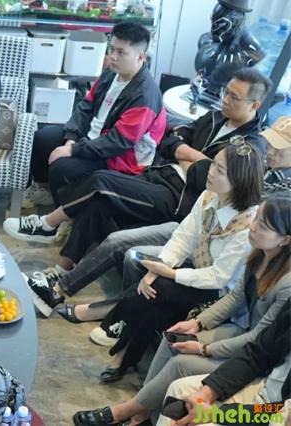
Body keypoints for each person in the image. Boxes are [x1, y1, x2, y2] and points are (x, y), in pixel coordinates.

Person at [18, 68, 271, 317]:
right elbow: (170, 139)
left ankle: (48, 224)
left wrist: (190, 159)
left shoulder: (250, 147)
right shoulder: (215, 117)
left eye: (235, 97)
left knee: (101, 181)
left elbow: (204, 178)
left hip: (180, 198)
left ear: (255, 104)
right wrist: (197, 158)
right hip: (160, 174)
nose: (225, 99)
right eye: (226, 92)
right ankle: (58, 277)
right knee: (98, 203)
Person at [72, 194, 291, 425]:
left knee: (180, 362)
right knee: (173, 337)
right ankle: (143, 407)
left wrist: (205, 349)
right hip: (244, 334)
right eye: (256, 219)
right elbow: (235, 298)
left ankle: (128, 410)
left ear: (285, 240)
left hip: (253, 347)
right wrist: (198, 323)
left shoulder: (286, 285)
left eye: (263, 226)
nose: (253, 226)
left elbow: (259, 339)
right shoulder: (257, 254)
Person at [91, 142, 264, 382]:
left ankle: (114, 325)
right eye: (213, 164)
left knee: (161, 288)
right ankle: (124, 357)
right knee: (157, 297)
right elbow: (183, 238)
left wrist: (168, 273)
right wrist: (159, 267)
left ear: (240, 181)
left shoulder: (247, 223)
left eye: (220, 170)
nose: (210, 172)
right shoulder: (209, 196)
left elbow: (219, 277)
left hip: (222, 293)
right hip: (196, 274)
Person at [19, 21, 166, 210]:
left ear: (140, 57)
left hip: (121, 159)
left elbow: (118, 142)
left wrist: (73, 150)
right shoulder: (111, 74)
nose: (113, 57)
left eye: (121, 52)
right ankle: (44, 189)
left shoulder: (144, 96)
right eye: (112, 49)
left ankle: (66, 213)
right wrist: (71, 138)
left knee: (62, 166)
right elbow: (85, 107)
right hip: (92, 138)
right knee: (42, 138)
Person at [159, 299, 290, 426]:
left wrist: (218, 414)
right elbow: (258, 353)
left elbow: (281, 413)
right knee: (179, 390)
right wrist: (207, 393)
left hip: (277, 414)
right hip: (266, 389)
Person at [262, 115, 291, 194]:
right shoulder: (263, 161)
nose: (269, 152)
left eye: (278, 147)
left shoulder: (287, 190)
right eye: (269, 143)